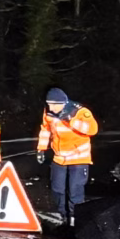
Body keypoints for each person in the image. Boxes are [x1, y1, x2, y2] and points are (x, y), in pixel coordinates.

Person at [35, 87, 98, 225]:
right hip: (59, 157)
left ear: (62, 103)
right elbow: (45, 129)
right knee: (57, 189)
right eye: (48, 104)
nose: (50, 107)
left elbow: (93, 129)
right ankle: (63, 215)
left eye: (53, 105)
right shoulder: (49, 112)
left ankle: (75, 218)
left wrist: (72, 121)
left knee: (75, 190)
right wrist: (41, 148)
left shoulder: (80, 111)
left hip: (78, 157)